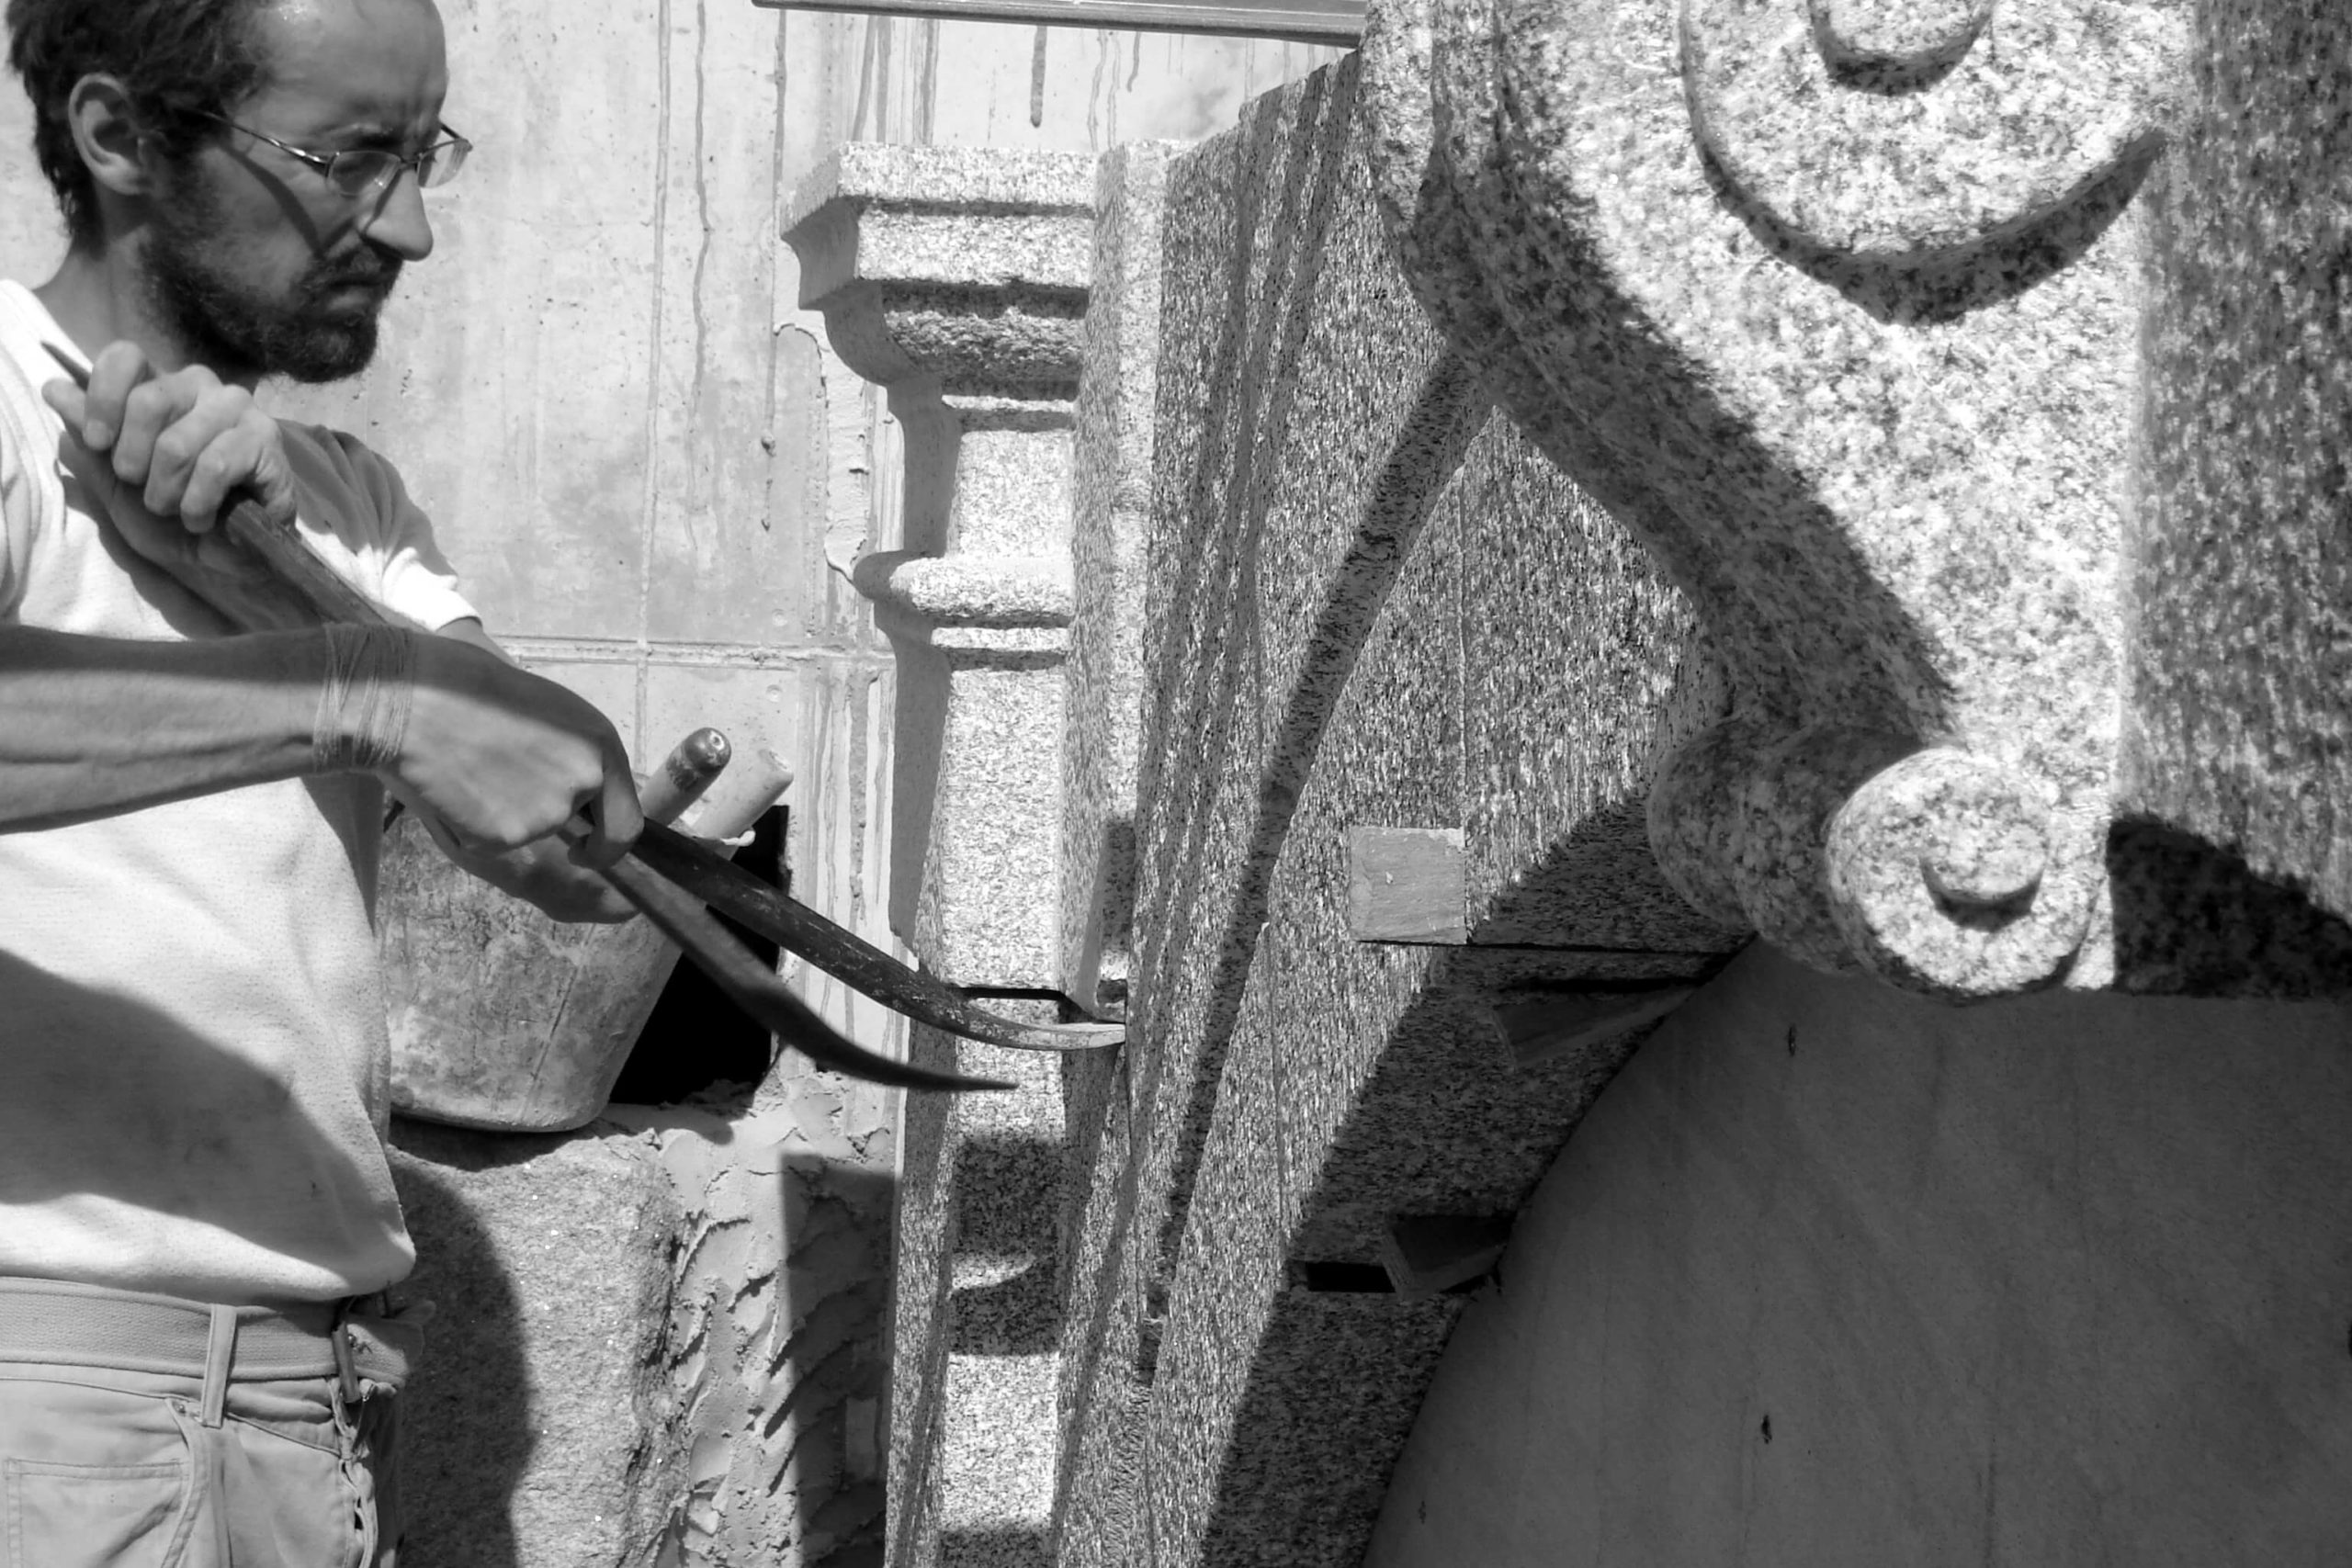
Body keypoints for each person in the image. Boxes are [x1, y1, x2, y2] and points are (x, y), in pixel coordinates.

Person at [0, 0, 644, 1560]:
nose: (410, 226)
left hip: (315, 1398)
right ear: (116, 136)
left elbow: (589, 837)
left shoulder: (346, 496)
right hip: (57, 1386)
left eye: (423, 157)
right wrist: (357, 690)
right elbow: (400, 710)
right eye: (350, 159)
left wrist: (283, 585)